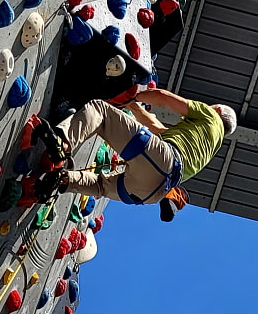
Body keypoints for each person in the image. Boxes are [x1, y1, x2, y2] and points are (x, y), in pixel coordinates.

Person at [33, 88, 237, 219]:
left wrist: (134, 94)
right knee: (102, 186)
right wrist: (133, 107)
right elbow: (156, 129)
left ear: (217, 110)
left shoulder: (211, 116)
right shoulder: (210, 145)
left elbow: (163, 98)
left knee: (100, 111)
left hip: (163, 158)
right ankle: (62, 181)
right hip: (153, 192)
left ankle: (62, 143)